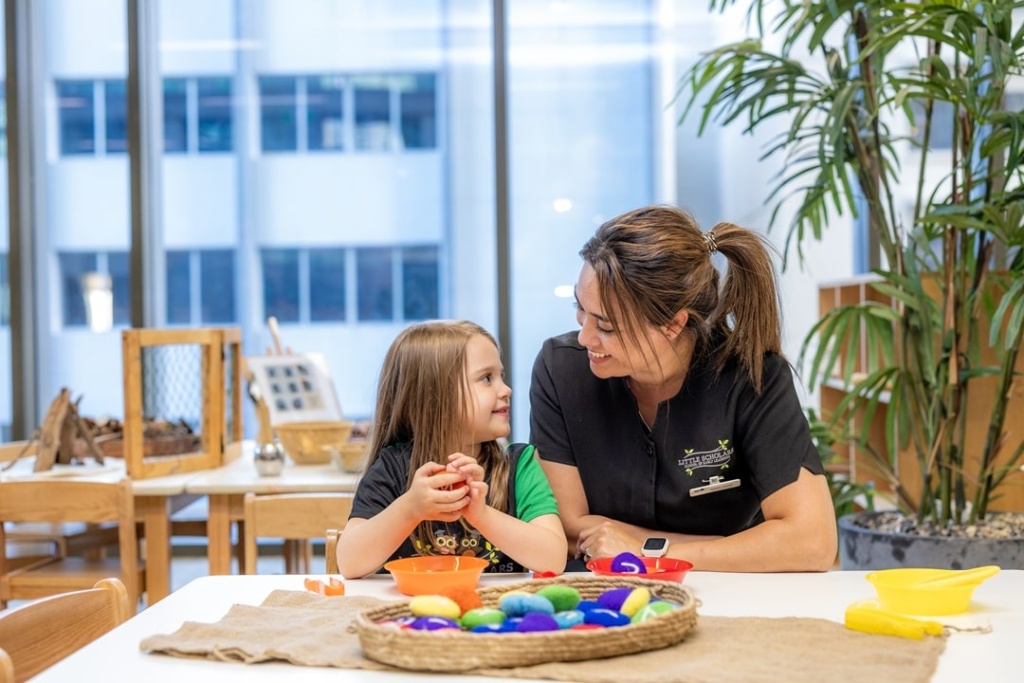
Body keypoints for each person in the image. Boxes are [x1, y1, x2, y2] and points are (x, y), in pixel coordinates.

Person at [529, 205, 838, 572]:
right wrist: (731, 546)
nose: (585, 337)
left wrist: (645, 551)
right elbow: (565, 528)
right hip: (603, 585)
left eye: (606, 326)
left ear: (673, 325)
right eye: (580, 309)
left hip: (731, 590)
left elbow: (812, 541)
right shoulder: (560, 370)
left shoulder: (752, 377)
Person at [336, 320, 567, 577]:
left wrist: (482, 515)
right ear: (435, 397)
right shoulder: (392, 467)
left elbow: (553, 558)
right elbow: (349, 563)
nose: (506, 390)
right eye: (487, 378)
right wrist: (410, 508)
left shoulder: (518, 465)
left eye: (500, 376)